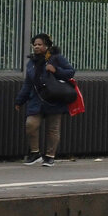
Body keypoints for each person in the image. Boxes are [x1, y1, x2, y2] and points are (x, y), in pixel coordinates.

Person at [14, 33, 75, 166]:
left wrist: (55, 70)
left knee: (53, 128)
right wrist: (19, 100)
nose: (36, 47)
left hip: (55, 98)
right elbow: (28, 84)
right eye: (34, 44)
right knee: (31, 124)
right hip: (37, 99)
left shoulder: (56, 58)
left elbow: (70, 72)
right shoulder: (31, 63)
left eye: (39, 44)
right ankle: (35, 153)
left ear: (46, 45)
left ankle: (49, 156)